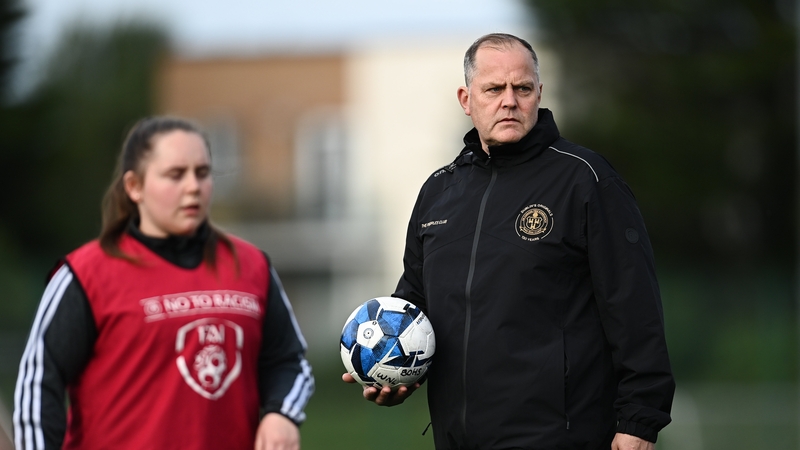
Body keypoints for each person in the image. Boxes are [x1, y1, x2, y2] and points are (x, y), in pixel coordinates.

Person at [343, 33, 675, 449]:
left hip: (560, 437)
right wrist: (395, 374)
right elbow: (413, 309)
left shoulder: (586, 180)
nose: (509, 101)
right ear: (466, 100)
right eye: (494, 89)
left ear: (539, 93)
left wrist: (639, 422)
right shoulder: (438, 191)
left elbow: (634, 308)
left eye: (522, 88)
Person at [13, 116, 314, 450]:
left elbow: (288, 360)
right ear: (134, 187)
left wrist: (281, 414)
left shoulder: (252, 266)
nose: (193, 187)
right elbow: (40, 382)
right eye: (176, 174)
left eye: (202, 173)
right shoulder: (86, 274)